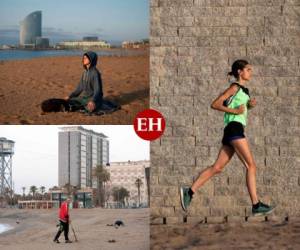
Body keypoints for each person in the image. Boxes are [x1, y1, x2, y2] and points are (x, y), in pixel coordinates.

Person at [180, 59, 275, 216]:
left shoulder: (244, 91)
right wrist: (235, 112)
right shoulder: (234, 87)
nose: (251, 72)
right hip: (234, 129)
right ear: (240, 72)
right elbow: (215, 104)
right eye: (248, 69)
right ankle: (256, 205)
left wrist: (249, 106)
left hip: (232, 130)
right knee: (251, 166)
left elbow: (238, 109)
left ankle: (189, 192)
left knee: (217, 168)